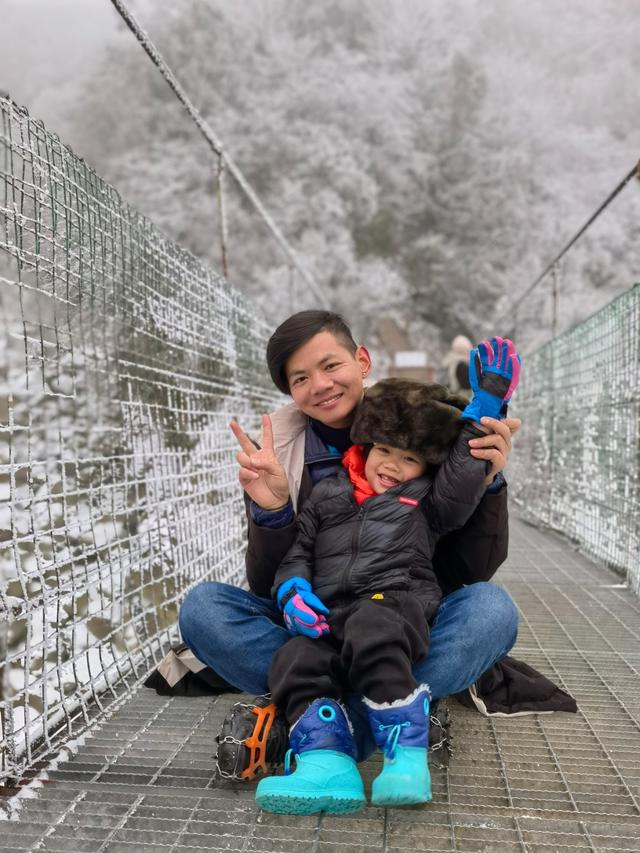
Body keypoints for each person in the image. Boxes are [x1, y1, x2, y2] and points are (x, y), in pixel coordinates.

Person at [178, 310, 521, 780]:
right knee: (203, 608)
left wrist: (488, 479)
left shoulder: (420, 430)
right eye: (301, 378)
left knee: (491, 610)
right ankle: (393, 711)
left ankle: (315, 722)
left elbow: (469, 569)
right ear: (290, 392)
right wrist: (274, 512)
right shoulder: (279, 454)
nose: (319, 385)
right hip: (317, 629)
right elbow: (268, 581)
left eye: (330, 365)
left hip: (402, 622)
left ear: (362, 360)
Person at [255, 346, 521, 815]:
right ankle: (327, 765)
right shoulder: (329, 493)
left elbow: (461, 483)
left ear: (426, 468)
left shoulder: (426, 501)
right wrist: (292, 590)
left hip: (393, 607)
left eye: (409, 458)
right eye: (384, 450)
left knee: (376, 626)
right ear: (366, 445)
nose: (392, 465)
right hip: (329, 617)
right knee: (294, 657)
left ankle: (404, 754)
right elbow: (299, 551)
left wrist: (482, 414)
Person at [441, 334, 474, 400]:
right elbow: (467, 384)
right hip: (463, 397)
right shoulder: (462, 364)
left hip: (454, 394)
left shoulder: (451, 361)